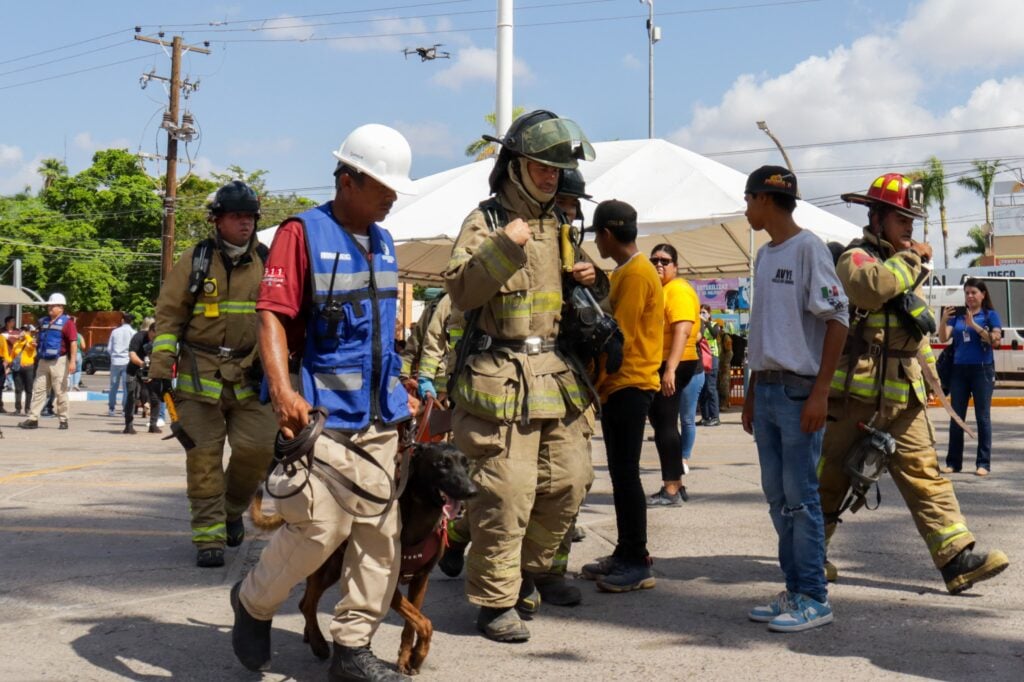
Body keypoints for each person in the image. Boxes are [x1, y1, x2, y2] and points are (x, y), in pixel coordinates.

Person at [231, 124, 416, 682]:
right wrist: (284, 391)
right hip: (322, 418)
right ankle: (254, 603)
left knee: (379, 534)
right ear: (347, 179)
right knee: (320, 528)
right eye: (382, 185)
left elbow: (381, 330)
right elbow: (272, 315)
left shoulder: (382, 240)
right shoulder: (300, 233)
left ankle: (353, 648)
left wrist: (403, 384)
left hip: (380, 416)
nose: (391, 195)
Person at [443, 109, 601, 642]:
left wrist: (591, 277)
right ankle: (494, 603)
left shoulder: (559, 226)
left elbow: (574, 301)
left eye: (556, 170)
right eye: (541, 167)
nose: (551, 177)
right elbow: (461, 292)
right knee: (506, 493)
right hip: (498, 375)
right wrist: (503, 247)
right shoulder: (484, 221)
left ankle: (524, 574)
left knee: (570, 481)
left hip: (555, 375)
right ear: (514, 166)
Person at [820, 172, 1009, 595]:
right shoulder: (856, 258)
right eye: (902, 219)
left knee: (926, 476)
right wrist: (912, 260)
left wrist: (931, 383)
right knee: (830, 479)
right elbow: (871, 291)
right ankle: (809, 558)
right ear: (878, 217)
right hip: (854, 397)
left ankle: (957, 559)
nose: (910, 228)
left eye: (912, 220)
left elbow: (914, 333)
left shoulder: (910, 267)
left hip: (904, 398)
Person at [740, 166, 848, 632]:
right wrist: (748, 392)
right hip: (765, 389)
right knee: (777, 496)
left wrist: (820, 392)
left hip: (798, 390)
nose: (745, 209)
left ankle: (814, 597)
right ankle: (794, 588)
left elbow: (838, 319)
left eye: (748, 199)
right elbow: (761, 329)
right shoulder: (765, 255)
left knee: (801, 498)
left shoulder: (809, 249)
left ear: (765, 199)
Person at [149, 180, 277, 569]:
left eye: (250, 217)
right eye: (236, 216)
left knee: (257, 449)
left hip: (250, 376)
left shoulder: (269, 262)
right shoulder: (195, 260)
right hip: (197, 378)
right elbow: (169, 317)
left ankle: (232, 509)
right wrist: (159, 367)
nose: (245, 224)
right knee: (202, 458)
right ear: (218, 220)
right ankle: (209, 539)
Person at [583, 199, 663, 592]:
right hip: (623, 384)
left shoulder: (634, 275)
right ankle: (626, 549)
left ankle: (637, 559)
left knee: (626, 475)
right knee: (620, 474)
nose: (596, 242)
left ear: (607, 234)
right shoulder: (628, 272)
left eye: (596, 235)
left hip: (629, 383)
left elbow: (618, 336)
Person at [646, 244, 700, 507]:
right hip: (668, 362)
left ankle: (671, 489)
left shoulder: (677, 290)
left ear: (675, 266)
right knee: (662, 423)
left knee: (665, 424)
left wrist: (670, 370)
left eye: (665, 261)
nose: (659, 265)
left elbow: (683, 330)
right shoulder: (664, 290)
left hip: (675, 362)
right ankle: (676, 484)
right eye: (654, 260)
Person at [939, 278, 1001, 476]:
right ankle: (953, 462)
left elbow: (995, 340)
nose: (970, 296)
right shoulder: (957, 316)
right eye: (967, 293)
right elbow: (943, 337)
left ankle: (983, 463)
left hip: (982, 370)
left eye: (974, 292)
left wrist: (973, 324)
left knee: (982, 417)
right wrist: (943, 320)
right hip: (959, 370)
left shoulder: (990, 315)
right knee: (957, 417)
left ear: (983, 295)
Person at [19, 293, 76, 430]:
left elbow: (73, 343)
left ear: (61, 307)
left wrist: (73, 361)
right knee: (38, 389)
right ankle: (33, 419)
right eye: (49, 305)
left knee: (60, 391)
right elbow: (39, 338)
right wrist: (35, 342)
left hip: (59, 361)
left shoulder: (67, 323)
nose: (50, 308)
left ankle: (63, 420)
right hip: (43, 360)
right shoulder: (43, 321)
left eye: (53, 305)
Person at [125, 323, 161, 434]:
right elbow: (132, 355)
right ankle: (128, 426)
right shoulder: (139, 337)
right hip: (134, 370)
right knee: (132, 396)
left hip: (152, 370)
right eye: (154, 336)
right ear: (150, 331)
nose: (155, 339)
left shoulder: (160, 341)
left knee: (155, 398)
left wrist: (152, 370)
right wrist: (143, 365)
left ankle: (153, 425)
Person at [698, 305, 722, 426]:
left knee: (710, 388)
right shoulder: (699, 326)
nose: (701, 314)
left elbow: (713, 334)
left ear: (709, 314)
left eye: (704, 312)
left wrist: (706, 322)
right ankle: (705, 417)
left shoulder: (714, 325)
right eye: (700, 312)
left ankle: (715, 417)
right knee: (702, 389)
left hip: (712, 358)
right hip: (701, 359)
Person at [107, 312, 135, 414]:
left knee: (113, 386)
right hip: (127, 361)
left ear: (122, 320)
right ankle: (125, 409)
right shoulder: (133, 332)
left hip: (115, 361)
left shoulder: (115, 332)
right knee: (126, 386)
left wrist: (114, 355)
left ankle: (111, 408)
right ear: (131, 321)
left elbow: (109, 348)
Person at [11, 325, 37, 416]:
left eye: (25, 330)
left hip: (28, 368)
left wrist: (26, 335)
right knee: (18, 389)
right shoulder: (16, 343)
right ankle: (18, 409)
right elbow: (12, 356)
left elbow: (32, 345)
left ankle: (27, 409)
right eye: (21, 330)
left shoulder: (30, 342)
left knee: (28, 389)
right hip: (17, 368)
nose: (22, 332)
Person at [717, 320, 734, 409]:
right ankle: (720, 403)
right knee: (717, 385)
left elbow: (730, 353)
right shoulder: (716, 336)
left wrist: (725, 364)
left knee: (724, 385)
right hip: (717, 365)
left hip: (724, 366)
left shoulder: (725, 337)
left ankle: (724, 404)